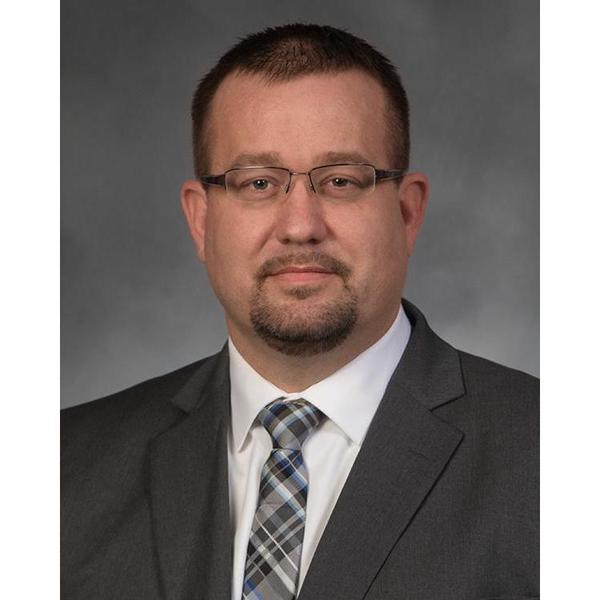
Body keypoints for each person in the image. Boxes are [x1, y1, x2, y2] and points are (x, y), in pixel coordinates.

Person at [61, 24, 539, 600]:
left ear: (407, 213)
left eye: (340, 181)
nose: (300, 227)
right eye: (258, 183)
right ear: (202, 221)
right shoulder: (64, 468)